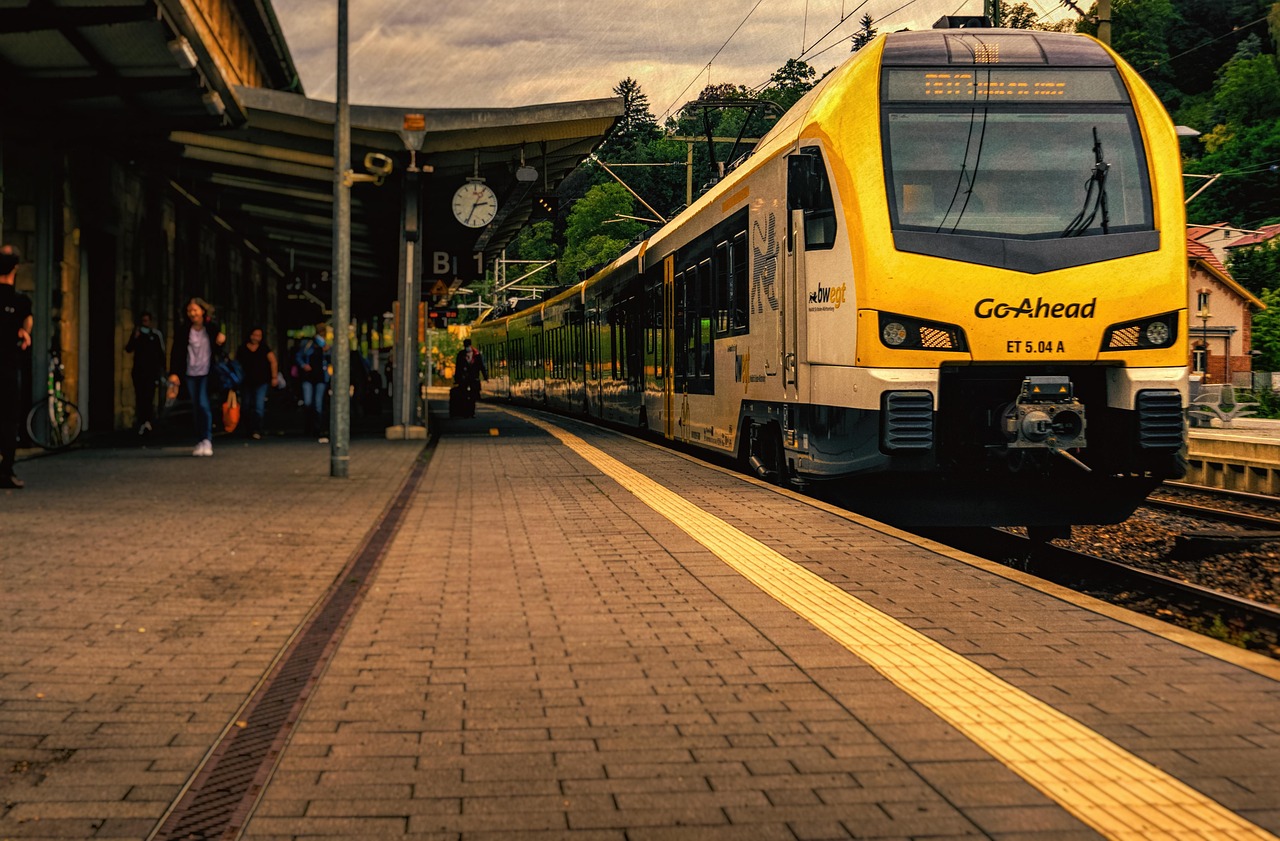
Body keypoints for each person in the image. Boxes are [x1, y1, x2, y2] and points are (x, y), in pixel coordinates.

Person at [168, 297, 225, 457]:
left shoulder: (211, 328)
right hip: (190, 372)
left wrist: (221, 342)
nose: (192, 313)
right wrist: (174, 373)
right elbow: (176, 353)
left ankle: (207, 439)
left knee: (203, 403)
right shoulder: (183, 330)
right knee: (195, 406)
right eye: (189, 311)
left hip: (206, 372)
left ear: (202, 311)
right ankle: (200, 439)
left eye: (195, 310)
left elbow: (219, 351)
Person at [1, 246, 33, 489]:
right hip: (8, 366)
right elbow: (27, 327)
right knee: (9, 417)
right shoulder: (21, 301)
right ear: (15, 268)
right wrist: (24, 333)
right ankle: (5, 469)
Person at [125, 311, 165, 435]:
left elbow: (161, 354)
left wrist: (161, 371)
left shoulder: (156, 335)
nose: (145, 324)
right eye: (143, 321)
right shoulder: (137, 334)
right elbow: (128, 349)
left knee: (149, 396)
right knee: (140, 396)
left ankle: (149, 420)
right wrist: (135, 337)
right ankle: (142, 421)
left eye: (147, 321)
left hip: (151, 372)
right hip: (139, 371)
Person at [237, 326, 278, 440]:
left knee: (258, 406)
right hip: (246, 381)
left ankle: (257, 429)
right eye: (254, 335)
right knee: (245, 405)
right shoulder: (242, 348)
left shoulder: (264, 348)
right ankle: (247, 428)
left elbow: (273, 361)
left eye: (259, 336)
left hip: (262, 381)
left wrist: (274, 377)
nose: (256, 338)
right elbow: (237, 364)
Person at [294, 323, 330, 442]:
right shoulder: (308, 344)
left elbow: (332, 358)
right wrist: (304, 365)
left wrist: (327, 349)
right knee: (308, 402)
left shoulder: (327, 345)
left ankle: (316, 428)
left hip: (321, 377)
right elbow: (298, 356)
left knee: (318, 403)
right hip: (308, 377)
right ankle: (308, 426)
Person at [454, 338, 488, 418]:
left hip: (474, 378)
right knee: (464, 396)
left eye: (468, 345)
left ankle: (471, 412)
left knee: (473, 397)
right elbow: (458, 368)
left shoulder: (477, 355)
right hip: (464, 379)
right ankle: (465, 412)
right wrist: (457, 379)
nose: (467, 347)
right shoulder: (461, 354)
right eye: (466, 346)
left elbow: (481, 366)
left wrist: (485, 376)